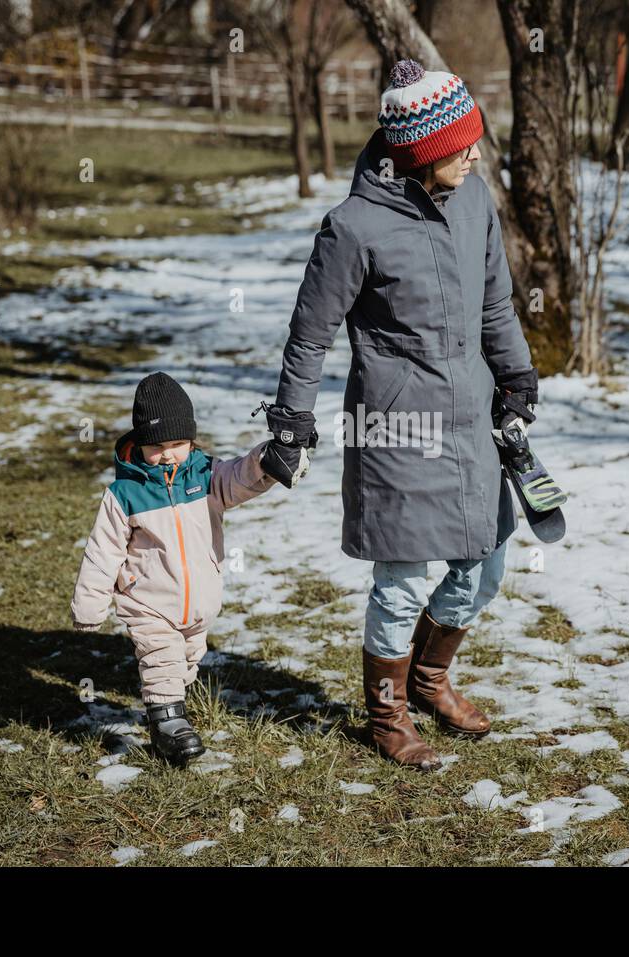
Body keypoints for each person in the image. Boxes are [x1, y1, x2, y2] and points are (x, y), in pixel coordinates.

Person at [262, 58, 539, 772]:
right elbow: (310, 332)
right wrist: (292, 421)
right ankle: (386, 714)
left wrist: (516, 377)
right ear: (419, 153)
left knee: (486, 562)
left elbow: (495, 306)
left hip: (471, 415)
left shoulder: (475, 200)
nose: (476, 153)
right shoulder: (353, 228)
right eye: (463, 144)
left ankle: (430, 675)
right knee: (405, 577)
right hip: (397, 426)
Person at [71, 372, 305, 765]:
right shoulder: (124, 494)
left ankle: (166, 713)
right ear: (140, 443)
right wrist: (90, 605)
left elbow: (240, 479)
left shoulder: (205, 475)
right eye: (157, 446)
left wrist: (267, 460)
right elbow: (103, 551)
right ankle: (169, 727)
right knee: (162, 661)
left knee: (184, 665)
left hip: (200, 604)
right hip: (148, 601)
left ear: (191, 440)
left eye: (178, 444)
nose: (168, 454)